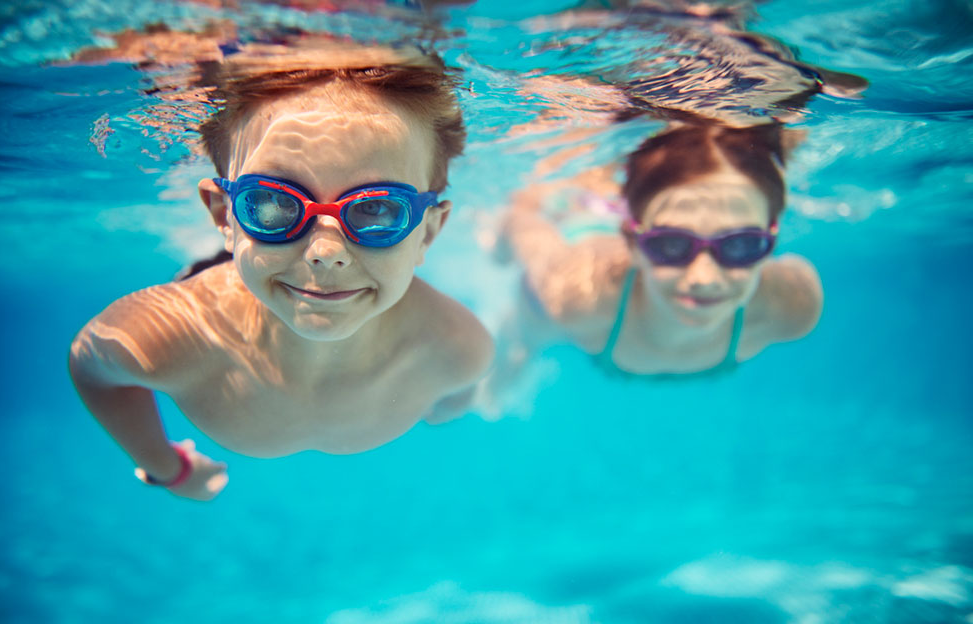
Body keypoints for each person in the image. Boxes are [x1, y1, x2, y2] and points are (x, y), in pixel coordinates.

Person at [69, 41, 493, 501]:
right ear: (223, 216)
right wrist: (166, 468)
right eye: (271, 202)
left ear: (427, 233)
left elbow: (458, 395)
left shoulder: (458, 350)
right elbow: (92, 369)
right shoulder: (167, 338)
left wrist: (447, 402)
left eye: (377, 210)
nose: (325, 252)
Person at [494, 122, 821, 384]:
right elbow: (521, 222)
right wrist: (499, 253)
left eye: (740, 244)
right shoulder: (575, 293)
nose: (704, 278)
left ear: (770, 243)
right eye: (671, 244)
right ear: (633, 244)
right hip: (584, 226)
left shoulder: (792, 306)